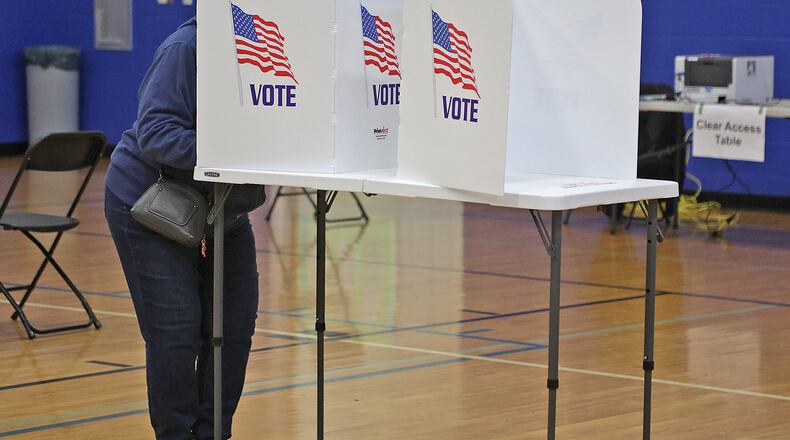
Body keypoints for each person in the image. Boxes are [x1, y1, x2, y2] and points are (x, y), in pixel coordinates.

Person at [104, 17, 263, 440]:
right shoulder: (187, 47)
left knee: (234, 329)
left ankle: (214, 433)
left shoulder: (276, 55)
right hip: (151, 203)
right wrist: (234, 152)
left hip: (224, 209)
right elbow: (157, 133)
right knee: (176, 332)